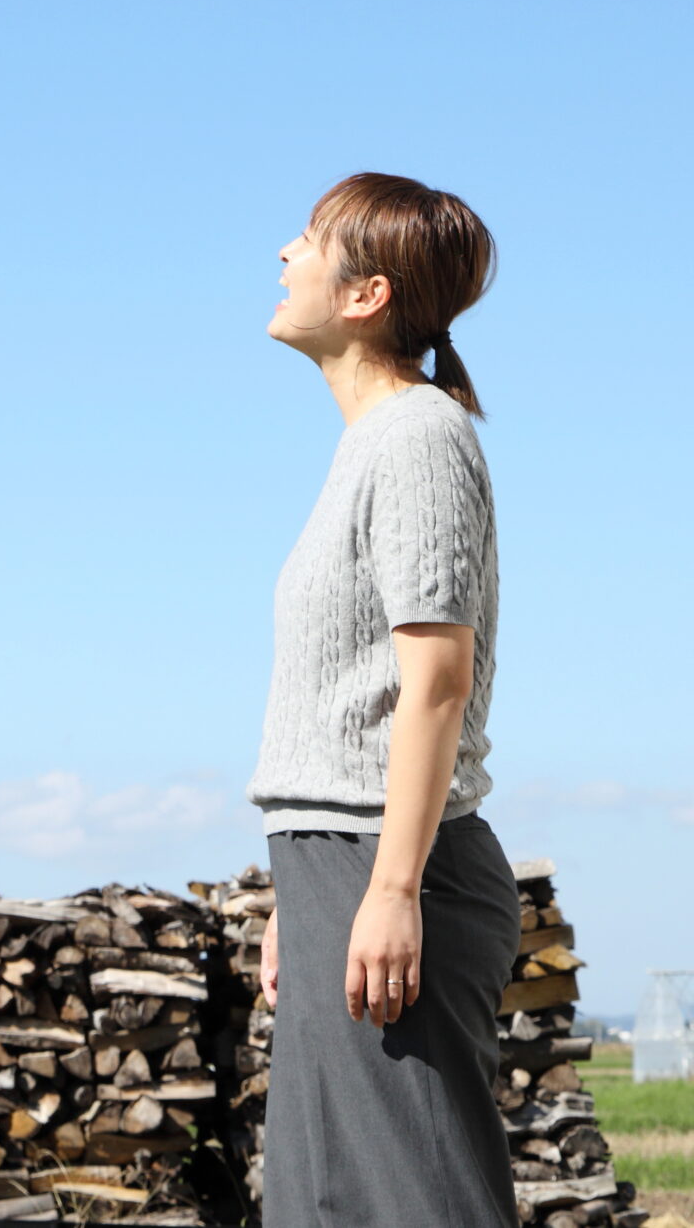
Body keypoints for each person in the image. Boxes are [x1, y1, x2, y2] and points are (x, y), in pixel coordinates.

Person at [248, 172, 516, 1227]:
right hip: (337, 867)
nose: (283, 253)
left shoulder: (416, 436)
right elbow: (342, 704)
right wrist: (294, 891)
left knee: (412, 1202)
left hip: (394, 871)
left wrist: (391, 887)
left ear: (364, 294)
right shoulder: (369, 444)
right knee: (326, 1205)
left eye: (309, 239)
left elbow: (435, 682)